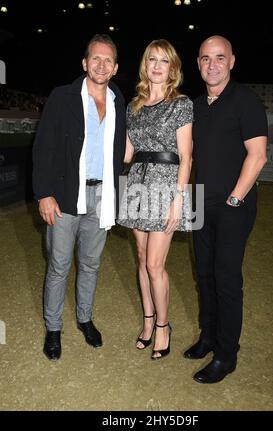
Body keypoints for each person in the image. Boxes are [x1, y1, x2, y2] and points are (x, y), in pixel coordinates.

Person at [32, 34, 126, 361]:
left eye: (108, 60)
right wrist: (44, 194)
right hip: (64, 194)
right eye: (95, 59)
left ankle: (85, 318)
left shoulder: (118, 100)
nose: (101, 64)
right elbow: (43, 148)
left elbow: (119, 150)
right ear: (85, 63)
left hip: (102, 196)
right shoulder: (62, 97)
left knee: (90, 263)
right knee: (59, 265)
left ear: (115, 68)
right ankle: (53, 327)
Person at [184, 35, 268, 383]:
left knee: (226, 279)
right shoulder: (197, 105)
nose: (212, 64)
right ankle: (208, 336)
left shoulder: (245, 100)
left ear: (231, 61)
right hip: (201, 203)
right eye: (205, 58)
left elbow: (258, 155)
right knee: (204, 274)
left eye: (219, 58)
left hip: (234, 205)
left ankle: (226, 355)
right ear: (199, 64)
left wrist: (235, 198)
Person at [117, 39, 193, 360]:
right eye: (152, 60)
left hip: (166, 187)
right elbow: (126, 154)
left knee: (154, 264)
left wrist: (179, 199)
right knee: (140, 257)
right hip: (136, 183)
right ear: (145, 65)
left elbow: (186, 157)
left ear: (172, 67)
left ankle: (164, 325)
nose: (157, 66)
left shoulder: (182, 104)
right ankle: (148, 321)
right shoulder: (133, 106)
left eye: (163, 61)